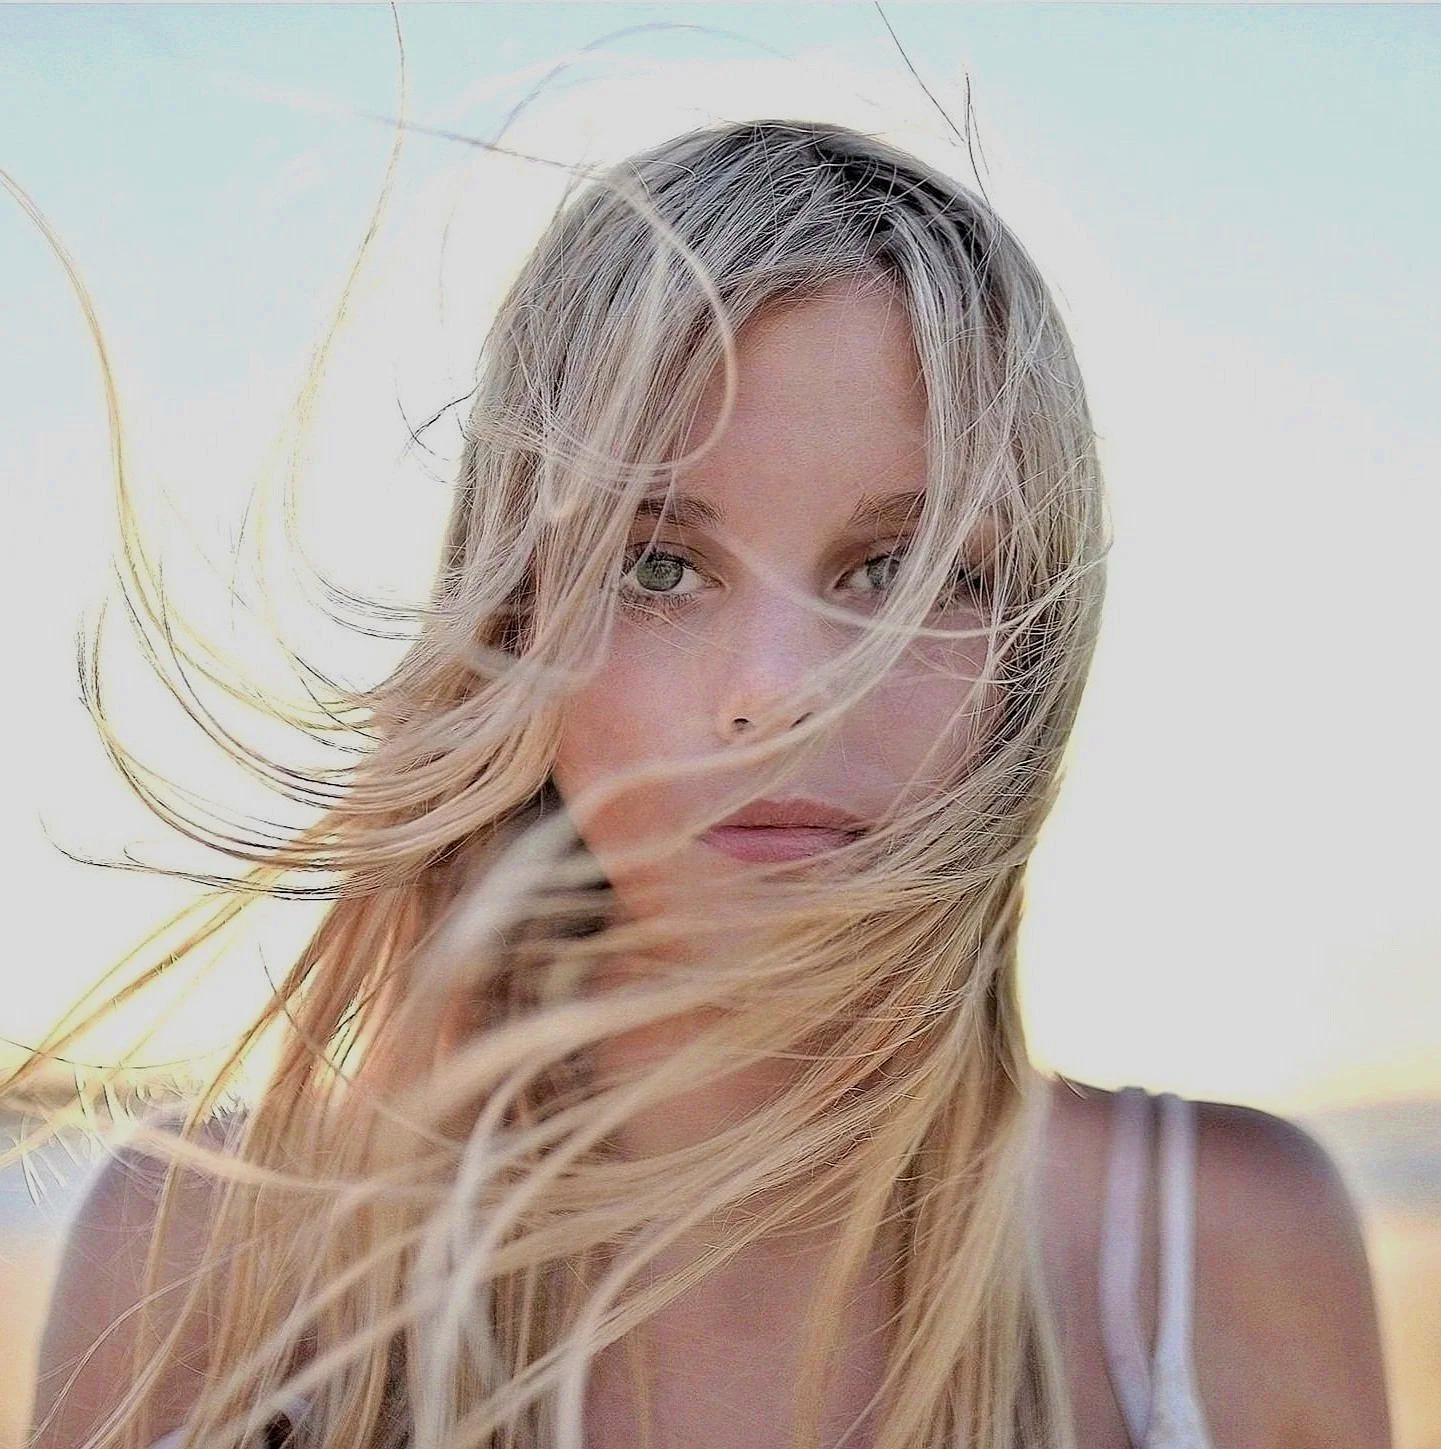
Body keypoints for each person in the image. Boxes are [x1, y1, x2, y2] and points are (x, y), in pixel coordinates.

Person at [22, 119, 1389, 1449]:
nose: (780, 690)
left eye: (903, 572)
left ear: (1034, 640)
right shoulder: (201, 1253)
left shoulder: (1221, 1256)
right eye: (660, 564)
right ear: (515, 624)